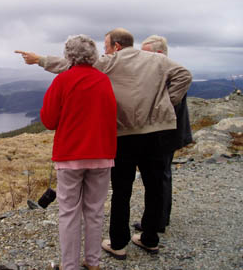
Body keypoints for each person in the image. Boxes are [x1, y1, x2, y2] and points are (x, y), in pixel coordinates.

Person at [15, 28, 192, 260]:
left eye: (106, 46)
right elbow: (184, 75)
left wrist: (39, 60)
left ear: (116, 47)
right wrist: (166, 103)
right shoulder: (158, 60)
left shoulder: (111, 62)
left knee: (121, 190)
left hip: (125, 134)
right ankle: (150, 239)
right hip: (156, 133)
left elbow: (71, 65)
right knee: (156, 187)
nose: (104, 51)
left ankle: (118, 244)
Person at [20, 35, 117, 270]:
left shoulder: (63, 81)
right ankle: (93, 262)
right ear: (93, 55)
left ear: (69, 56)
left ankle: (70, 265)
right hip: (102, 154)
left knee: (69, 212)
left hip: (70, 155)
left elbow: (49, 120)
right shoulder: (103, 80)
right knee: (94, 211)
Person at [132, 35, 193, 233]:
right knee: (162, 176)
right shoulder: (164, 72)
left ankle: (157, 222)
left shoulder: (169, 74)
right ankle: (160, 218)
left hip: (165, 135)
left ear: (159, 54)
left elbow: (169, 103)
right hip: (167, 134)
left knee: (160, 177)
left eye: (145, 53)